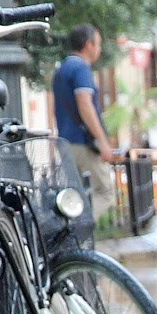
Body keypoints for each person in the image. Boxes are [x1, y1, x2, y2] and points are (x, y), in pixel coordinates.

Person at [52, 25, 118, 216]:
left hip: (65, 140)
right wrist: (102, 141)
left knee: (77, 193)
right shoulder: (81, 68)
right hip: (83, 142)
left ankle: (73, 234)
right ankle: (81, 228)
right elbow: (85, 104)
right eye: (98, 44)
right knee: (105, 192)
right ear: (88, 45)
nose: (99, 49)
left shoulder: (61, 69)